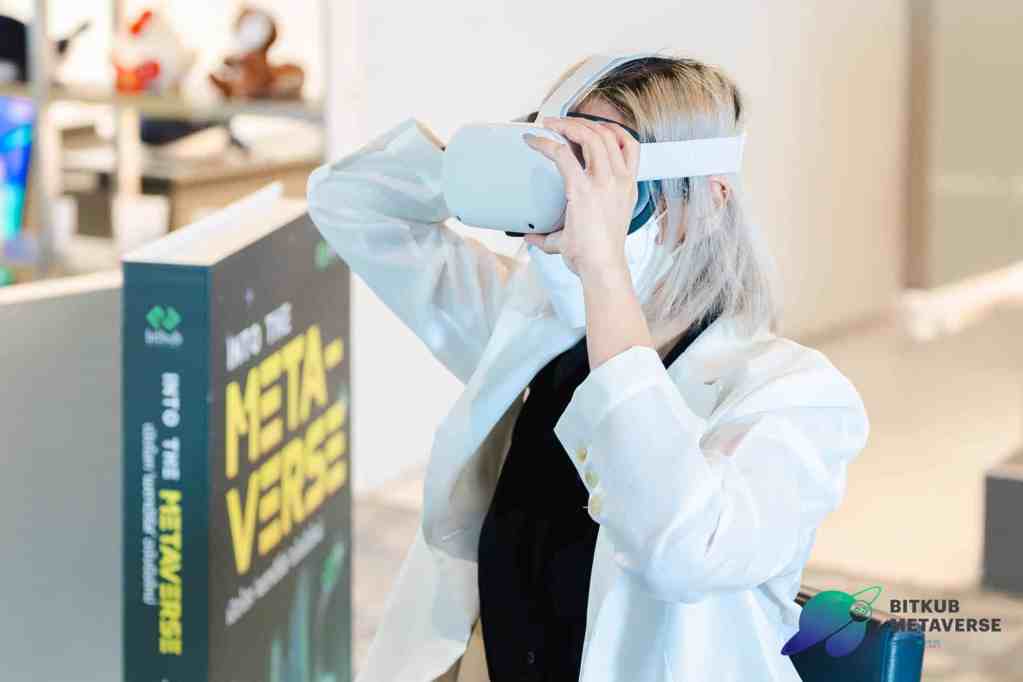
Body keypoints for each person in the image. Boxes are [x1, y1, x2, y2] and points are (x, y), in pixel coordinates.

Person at [307, 54, 870, 682]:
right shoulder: (532, 324)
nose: (579, 201)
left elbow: (679, 552)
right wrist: (498, 167)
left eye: (607, 178)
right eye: (566, 171)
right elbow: (348, 202)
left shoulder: (799, 396)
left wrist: (604, 270)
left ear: (708, 202)